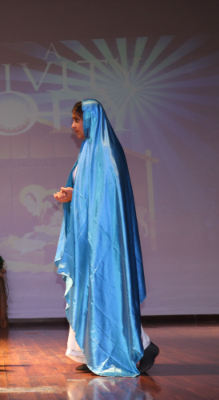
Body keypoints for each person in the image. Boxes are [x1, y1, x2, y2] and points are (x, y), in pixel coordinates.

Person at [54, 100, 159, 377]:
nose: (73, 125)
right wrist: (71, 195)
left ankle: (140, 346)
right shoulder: (88, 150)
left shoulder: (106, 153)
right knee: (92, 293)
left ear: (91, 120)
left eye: (77, 120)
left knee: (108, 291)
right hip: (90, 238)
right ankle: (95, 352)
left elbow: (108, 200)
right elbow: (89, 193)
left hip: (105, 239)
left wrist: (78, 196)